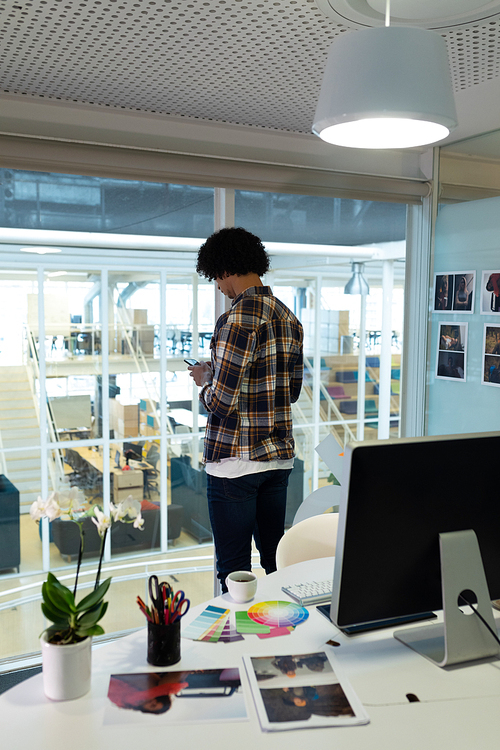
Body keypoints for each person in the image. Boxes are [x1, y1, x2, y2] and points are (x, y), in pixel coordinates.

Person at [189, 227, 304, 591]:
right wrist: (219, 373)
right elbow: (292, 391)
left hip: (236, 463)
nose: (220, 287)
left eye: (216, 279)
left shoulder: (237, 318)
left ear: (224, 269)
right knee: (276, 559)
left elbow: (221, 403)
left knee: (235, 567)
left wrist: (204, 384)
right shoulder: (289, 318)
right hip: (277, 461)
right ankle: (284, 628)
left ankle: (240, 642)